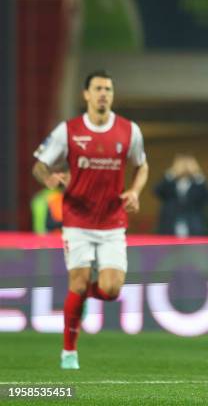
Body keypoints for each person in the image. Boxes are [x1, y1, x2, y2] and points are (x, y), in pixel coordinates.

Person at [32, 70, 149, 370]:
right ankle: (69, 352)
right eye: (97, 88)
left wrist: (134, 191)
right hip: (77, 220)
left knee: (111, 290)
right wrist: (50, 179)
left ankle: (79, 301)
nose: (103, 94)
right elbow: (39, 166)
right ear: (86, 94)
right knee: (79, 281)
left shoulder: (128, 130)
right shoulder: (68, 131)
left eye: (108, 89)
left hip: (112, 222)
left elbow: (142, 166)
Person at [155, 154, 208, 237]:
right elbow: (157, 191)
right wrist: (172, 173)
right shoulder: (170, 182)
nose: (184, 167)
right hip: (169, 223)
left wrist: (197, 173)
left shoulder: (198, 183)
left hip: (193, 224)